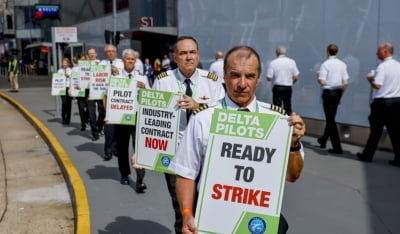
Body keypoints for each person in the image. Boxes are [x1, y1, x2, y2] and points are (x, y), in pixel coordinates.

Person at [169, 45, 305, 234]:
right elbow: (186, 172)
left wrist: (294, 145)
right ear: (224, 76)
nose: (242, 84)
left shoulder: (278, 122)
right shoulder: (204, 118)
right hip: (211, 217)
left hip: (257, 221)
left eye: (249, 76)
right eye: (235, 75)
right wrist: (186, 214)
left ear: (258, 79)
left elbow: (292, 176)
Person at [150, 36, 225, 234]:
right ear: (175, 57)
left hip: (206, 155)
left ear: (198, 55)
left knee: (207, 207)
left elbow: (223, 117)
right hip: (175, 155)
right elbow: (151, 117)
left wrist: (198, 106)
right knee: (181, 209)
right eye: (183, 53)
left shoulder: (213, 82)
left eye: (192, 52)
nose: (188, 57)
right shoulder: (162, 81)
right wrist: (141, 152)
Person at [103, 48, 150, 190]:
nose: (130, 61)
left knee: (140, 149)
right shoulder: (115, 79)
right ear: (123, 61)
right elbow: (106, 96)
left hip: (138, 117)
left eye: (133, 59)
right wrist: (108, 114)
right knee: (122, 147)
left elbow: (150, 97)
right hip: (122, 118)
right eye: (128, 59)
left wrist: (144, 89)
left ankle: (140, 179)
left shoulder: (142, 77)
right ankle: (124, 174)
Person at [356, 43, 400, 167]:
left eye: (378, 51)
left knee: (376, 131)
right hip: (396, 102)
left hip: (382, 103)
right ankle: (398, 158)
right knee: (395, 130)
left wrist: (370, 78)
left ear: (385, 52)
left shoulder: (382, 67)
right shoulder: (398, 65)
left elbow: (377, 85)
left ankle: (367, 155)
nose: (376, 54)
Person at [316, 44, 349, 154]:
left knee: (330, 120)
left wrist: (318, 76)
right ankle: (324, 139)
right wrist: (341, 96)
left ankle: (337, 147)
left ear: (327, 52)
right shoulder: (342, 64)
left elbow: (322, 82)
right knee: (331, 117)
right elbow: (345, 82)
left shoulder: (325, 64)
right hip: (338, 91)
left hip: (328, 92)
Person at [100, 44, 124, 161]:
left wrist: (117, 71)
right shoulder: (101, 64)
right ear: (105, 53)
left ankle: (116, 149)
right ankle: (108, 152)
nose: (110, 53)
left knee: (119, 128)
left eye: (112, 51)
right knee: (109, 127)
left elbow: (127, 78)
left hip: (120, 99)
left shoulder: (121, 63)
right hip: (106, 97)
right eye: (108, 51)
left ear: (116, 52)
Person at [266, 45, 300, 115]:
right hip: (288, 87)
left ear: (276, 52)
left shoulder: (273, 63)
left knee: (277, 108)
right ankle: (287, 122)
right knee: (287, 106)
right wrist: (290, 82)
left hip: (277, 87)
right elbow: (296, 77)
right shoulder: (291, 62)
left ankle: (277, 122)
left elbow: (269, 78)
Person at [86, 47, 104, 141]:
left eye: (93, 53)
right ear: (88, 55)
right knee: (91, 113)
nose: (92, 55)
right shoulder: (84, 66)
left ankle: (99, 126)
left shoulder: (101, 64)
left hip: (100, 91)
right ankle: (95, 133)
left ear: (96, 54)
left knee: (102, 111)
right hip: (89, 92)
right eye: (90, 53)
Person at [75, 54, 90, 132]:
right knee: (81, 109)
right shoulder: (75, 69)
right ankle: (83, 124)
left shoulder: (89, 68)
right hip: (79, 90)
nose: (83, 61)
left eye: (84, 59)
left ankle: (86, 119)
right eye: (81, 59)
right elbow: (73, 80)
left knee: (88, 108)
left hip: (87, 90)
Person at [58, 57, 73, 125]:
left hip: (69, 88)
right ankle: (63, 117)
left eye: (65, 63)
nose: (64, 64)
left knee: (69, 104)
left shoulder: (70, 70)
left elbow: (73, 78)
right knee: (64, 103)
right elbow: (57, 78)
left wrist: (69, 75)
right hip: (62, 88)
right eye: (63, 63)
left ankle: (68, 119)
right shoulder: (60, 70)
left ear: (68, 63)